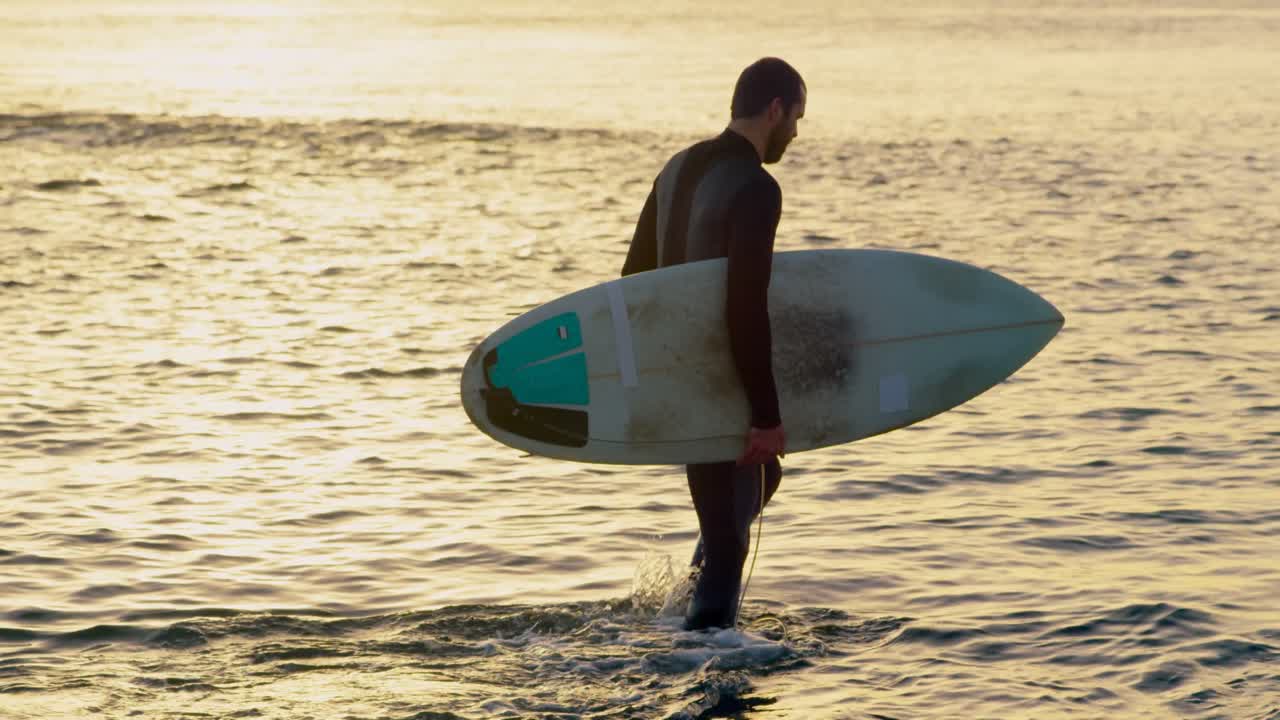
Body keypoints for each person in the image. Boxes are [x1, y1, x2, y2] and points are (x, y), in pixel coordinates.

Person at [620, 57, 806, 630]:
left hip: (680, 373)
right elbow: (744, 306)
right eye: (797, 117)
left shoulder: (675, 170)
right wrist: (767, 417)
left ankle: (683, 609)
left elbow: (632, 283)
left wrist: (653, 379)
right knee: (728, 542)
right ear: (774, 109)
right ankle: (704, 664)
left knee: (757, 485)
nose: (796, 133)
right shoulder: (755, 187)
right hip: (719, 380)